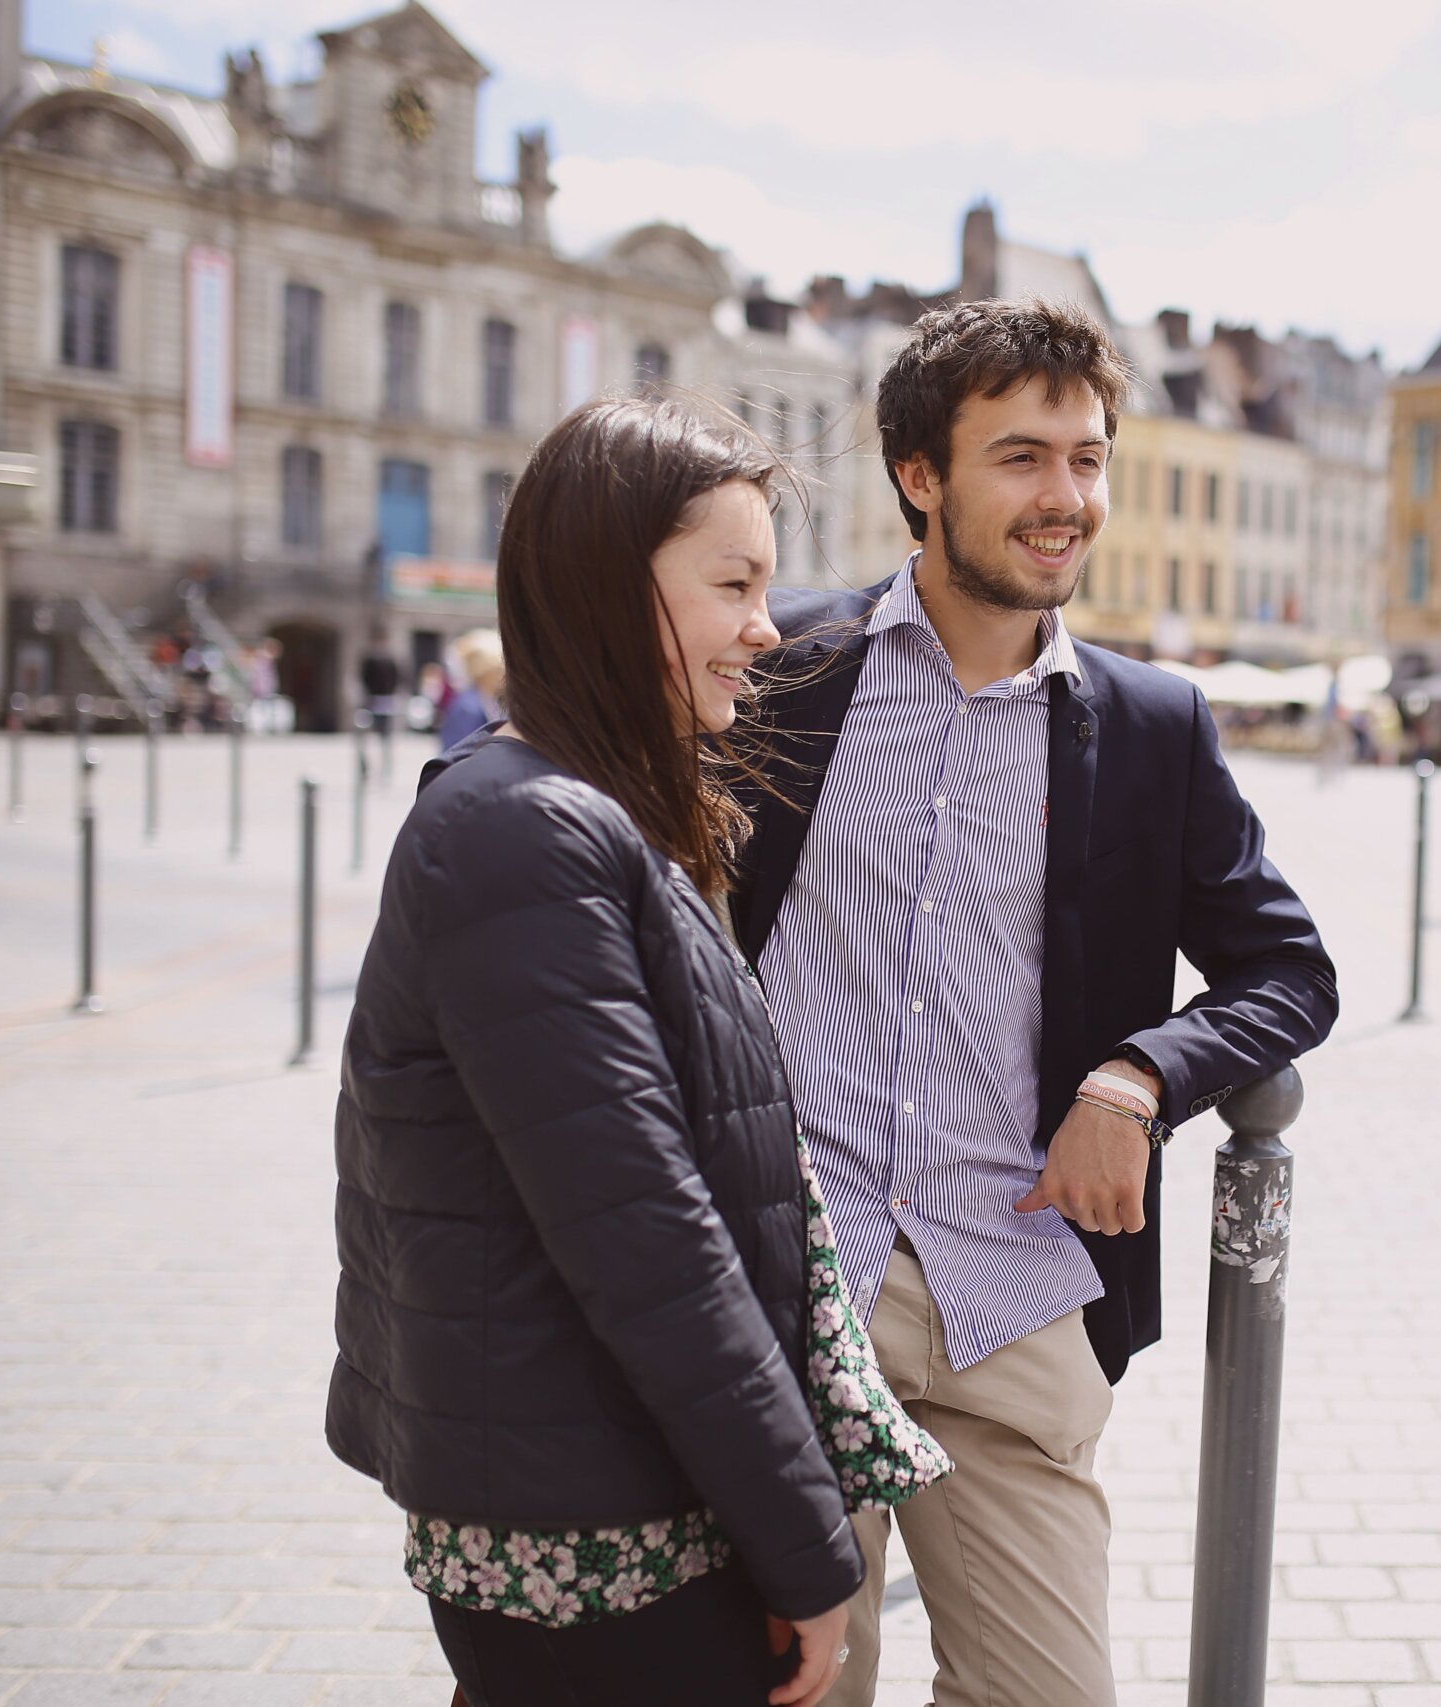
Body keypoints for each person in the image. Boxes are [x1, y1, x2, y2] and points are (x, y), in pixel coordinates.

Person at [731, 298, 1339, 1707]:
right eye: (1022, 456)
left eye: (1089, 455)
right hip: (791, 1275)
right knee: (798, 1687)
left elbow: (1289, 969)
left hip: (1013, 1292)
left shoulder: (1152, 726)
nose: (1067, 497)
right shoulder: (785, 675)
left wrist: (1138, 1076)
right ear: (921, 475)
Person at [331, 398, 948, 1707]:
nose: (765, 627)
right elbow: (650, 1237)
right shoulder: (526, 834)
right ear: (615, 591)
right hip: (594, 1534)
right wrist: (803, 1543)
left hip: (615, 1492)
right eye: (732, 583)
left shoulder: (599, 814)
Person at [437, 628, 506, 751]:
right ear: (485, 672)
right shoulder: (468, 708)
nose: (503, 676)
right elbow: (458, 752)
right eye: (498, 670)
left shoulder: (487, 701)